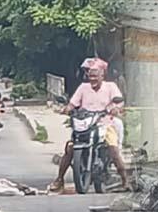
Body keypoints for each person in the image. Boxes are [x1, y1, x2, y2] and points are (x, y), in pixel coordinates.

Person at [48, 58, 129, 193]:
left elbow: (119, 103)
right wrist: (67, 109)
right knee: (70, 149)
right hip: (84, 124)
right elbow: (73, 103)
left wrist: (116, 109)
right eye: (90, 76)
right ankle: (59, 179)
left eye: (95, 76)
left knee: (113, 150)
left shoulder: (111, 87)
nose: (92, 79)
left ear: (102, 75)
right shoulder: (83, 88)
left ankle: (125, 180)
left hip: (105, 123)